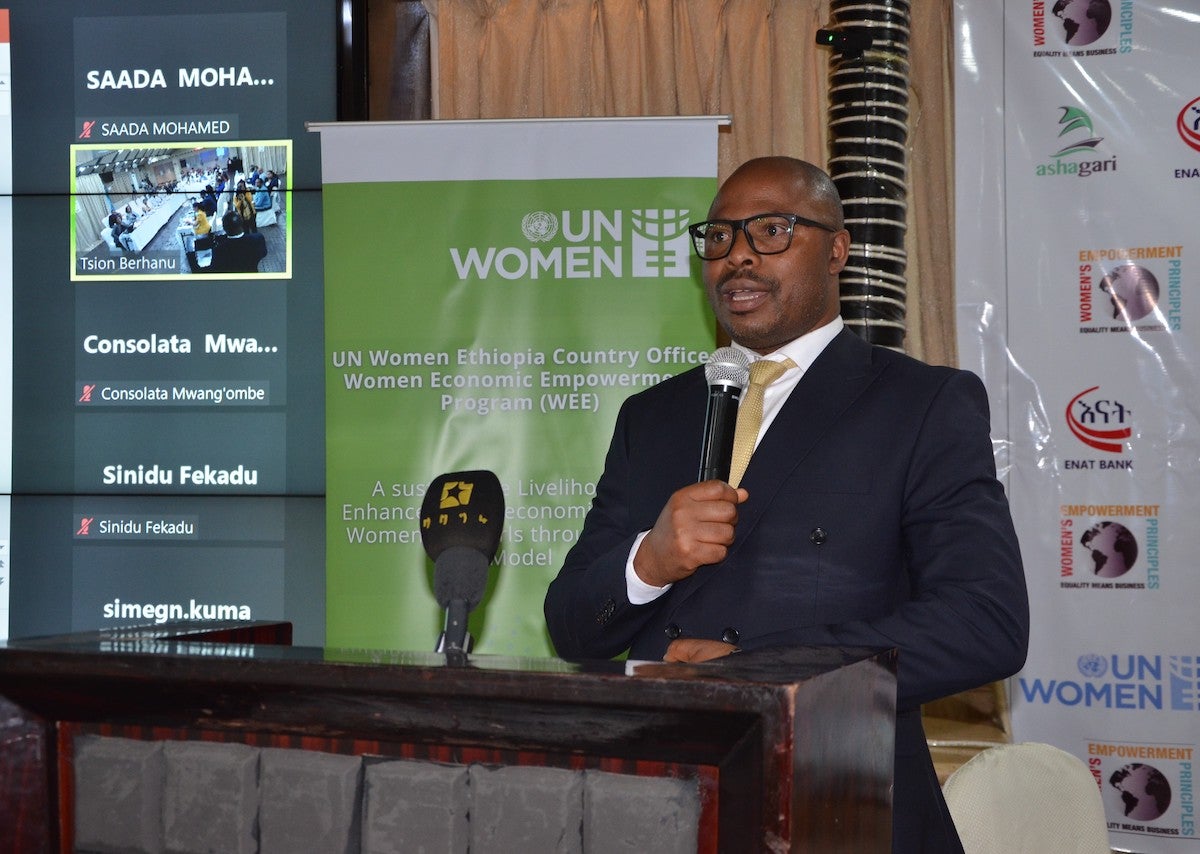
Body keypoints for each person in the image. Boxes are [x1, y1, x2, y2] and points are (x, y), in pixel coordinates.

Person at [543, 156, 1029, 854]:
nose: (737, 255)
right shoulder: (652, 416)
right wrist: (647, 562)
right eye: (719, 236)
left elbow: (986, 623)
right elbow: (570, 627)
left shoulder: (919, 405)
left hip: (841, 803)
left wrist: (761, 668)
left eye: (772, 230)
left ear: (837, 249)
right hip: (656, 804)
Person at [185, 210, 266, 273]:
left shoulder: (219, 250)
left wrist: (194, 265)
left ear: (224, 229)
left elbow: (214, 269)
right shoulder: (258, 238)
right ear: (241, 224)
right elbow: (263, 253)